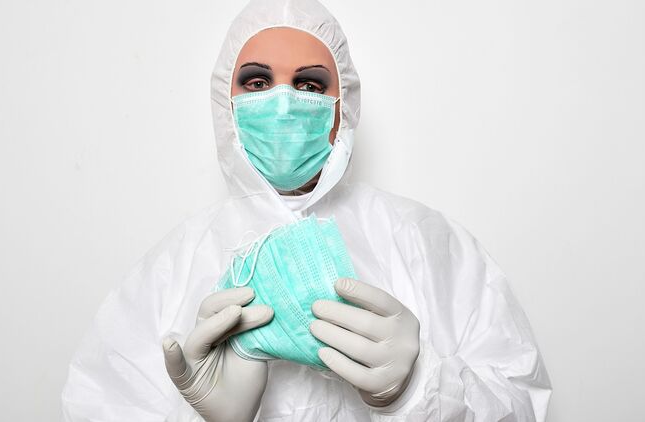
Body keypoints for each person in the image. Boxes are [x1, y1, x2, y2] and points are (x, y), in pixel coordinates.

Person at [61, 0, 552, 420]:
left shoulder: (424, 242)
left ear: (344, 106)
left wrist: (420, 389)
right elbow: (97, 403)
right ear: (224, 104)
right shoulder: (175, 266)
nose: (282, 104)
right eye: (257, 83)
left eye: (310, 85)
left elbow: (519, 398)